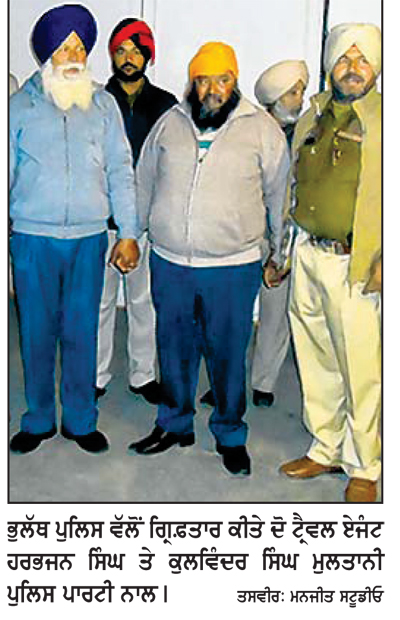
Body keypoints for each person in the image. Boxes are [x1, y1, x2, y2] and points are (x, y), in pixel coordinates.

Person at [129, 42, 290, 476]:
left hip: (232, 266)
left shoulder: (262, 130)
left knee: (227, 354)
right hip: (170, 262)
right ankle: (174, 423)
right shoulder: (170, 122)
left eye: (223, 79)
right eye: (203, 80)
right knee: (173, 348)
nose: (213, 89)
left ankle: (230, 433)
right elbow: (144, 181)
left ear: (235, 81)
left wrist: (279, 252)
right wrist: (131, 235)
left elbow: (279, 196)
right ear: (192, 83)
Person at [9, 4, 139, 454]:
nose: (73, 56)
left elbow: (121, 169)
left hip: (88, 238)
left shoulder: (103, 104)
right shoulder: (17, 107)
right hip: (33, 239)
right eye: (64, 48)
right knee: (37, 331)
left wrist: (128, 232)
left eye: (81, 48)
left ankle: (81, 420)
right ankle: (39, 418)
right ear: (47, 53)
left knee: (84, 330)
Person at [279, 23, 382, 502]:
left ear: (376, 66)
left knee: (361, 369)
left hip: (355, 263)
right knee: (315, 357)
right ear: (330, 66)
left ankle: (366, 465)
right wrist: (283, 249)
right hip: (307, 252)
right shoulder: (313, 114)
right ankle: (325, 447)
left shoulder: (386, 120)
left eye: (362, 59)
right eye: (344, 58)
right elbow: (294, 182)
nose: (353, 68)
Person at [200, 60, 309, 409]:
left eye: (301, 92)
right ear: (274, 98)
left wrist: (283, 249)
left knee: (275, 314)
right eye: (292, 93)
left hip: (285, 235)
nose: (299, 100)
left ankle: (264, 382)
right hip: (244, 235)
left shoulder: (307, 134)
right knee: (231, 317)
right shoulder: (247, 129)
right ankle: (223, 380)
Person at [95, 18, 177, 405]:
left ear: (148, 55)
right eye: (120, 51)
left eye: (135, 50)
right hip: (102, 219)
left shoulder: (166, 106)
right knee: (100, 302)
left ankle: (143, 375)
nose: (128, 58)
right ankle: (96, 375)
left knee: (144, 302)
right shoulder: (96, 101)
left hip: (145, 221)